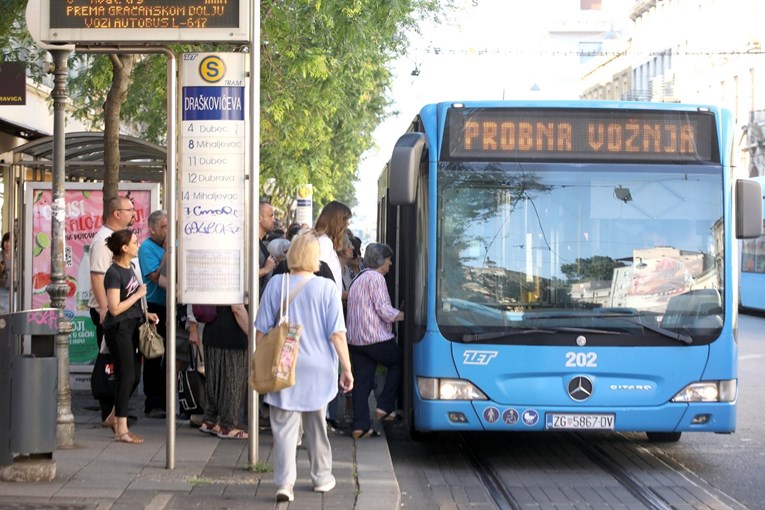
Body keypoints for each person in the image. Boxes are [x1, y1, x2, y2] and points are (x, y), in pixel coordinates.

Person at [254, 230, 353, 503]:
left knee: (284, 427)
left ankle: (285, 483)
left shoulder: (276, 284)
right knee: (316, 424)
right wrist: (346, 368)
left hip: (283, 365)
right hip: (318, 368)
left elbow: (261, 330)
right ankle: (321, 477)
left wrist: (257, 361)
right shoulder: (328, 289)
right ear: (316, 258)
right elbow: (337, 334)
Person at [101, 229, 159, 444]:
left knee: (134, 376)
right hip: (119, 328)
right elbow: (114, 308)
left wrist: (145, 313)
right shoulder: (114, 273)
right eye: (134, 242)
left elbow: (131, 303)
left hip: (133, 325)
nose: (138, 245)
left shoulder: (131, 268)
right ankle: (121, 429)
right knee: (126, 376)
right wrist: (138, 294)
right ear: (124, 248)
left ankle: (113, 417)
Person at [346, 242, 404, 439]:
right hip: (374, 337)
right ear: (381, 260)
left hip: (355, 340)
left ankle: (360, 426)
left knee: (362, 382)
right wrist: (404, 315)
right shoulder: (376, 278)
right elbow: (383, 309)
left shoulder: (359, 278)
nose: (390, 264)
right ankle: (385, 407)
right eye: (388, 260)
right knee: (398, 361)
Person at [89, 195, 138, 425]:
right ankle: (111, 413)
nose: (133, 214)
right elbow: (98, 276)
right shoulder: (103, 240)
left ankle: (118, 412)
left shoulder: (119, 238)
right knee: (113, 364)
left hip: (123, 311)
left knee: (124, 366)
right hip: (111, 311)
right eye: (129, 209)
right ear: (116, 213)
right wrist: (104, 309)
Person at [197, 303, 250, 440]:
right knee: (232, 380)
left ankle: (209, 421)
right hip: (232, 333)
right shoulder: (235, 281)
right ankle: (228, 427)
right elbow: (237, 308)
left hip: (211, 330)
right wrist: (253, 335)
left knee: (214, 379)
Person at [137, 209, 168, 418]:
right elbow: (156, 276)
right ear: (153, 228)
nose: (167, 231)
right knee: (153, 353)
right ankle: (152, 401)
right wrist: (167, 253)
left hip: (169, 305)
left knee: (169, 355)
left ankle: (165, 400)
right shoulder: (147, 248)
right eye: (164, 227)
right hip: (153, 306)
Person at [314, 201, 352, 293]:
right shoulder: (324, 242)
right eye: (345, 220)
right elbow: (319, 274)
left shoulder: (322, 240)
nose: (347, 224)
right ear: (336, 221)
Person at [259, 201, 277, 297]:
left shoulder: (261, 244)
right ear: (259, 218)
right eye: (271, 216)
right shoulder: (250, 246)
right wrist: (266, 269)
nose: (274, 220)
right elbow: (244, 277)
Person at [0, 233, 11, 315]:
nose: (8, 244)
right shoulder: (0, 255)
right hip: (2, 287)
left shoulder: (17, 255)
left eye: (10, 241)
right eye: (6, 241)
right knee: (3, 312)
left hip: (14, 288)